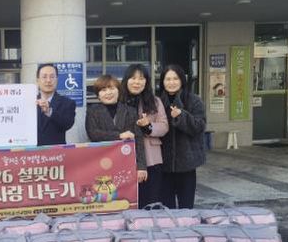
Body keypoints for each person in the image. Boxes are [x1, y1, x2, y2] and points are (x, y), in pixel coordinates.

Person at [121, 64, 169, 206]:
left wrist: (148, 126)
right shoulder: (119, 100)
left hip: (151, 159)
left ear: (146, 81)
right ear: (126, 80)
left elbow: (164, 126)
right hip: (123, 157)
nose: (137, 82)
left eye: (141, 79)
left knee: (150, 201)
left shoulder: (155, 101)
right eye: (133, 78)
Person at [159, 64, 206, 209]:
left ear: (182, 80)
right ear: (162, 81)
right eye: (168, 79)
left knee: (186, 207)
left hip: (187, 164)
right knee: (166, 207)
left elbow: (199, 126)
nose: (171, 82)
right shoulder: (157, 101)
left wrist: (181, 115)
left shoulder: (194, 100)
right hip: (164, 164)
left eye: (175, 78)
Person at [85, 74, 147, 184]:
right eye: (103, 90)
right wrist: (119, 136)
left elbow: (138, 139)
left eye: (112, 88)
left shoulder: (130, 111)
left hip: (126, 161)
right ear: (98, 95)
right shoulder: (92, 111)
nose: (108, 93)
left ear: (118, 91)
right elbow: (93, 134)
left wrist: (141, 167)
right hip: (101, 162)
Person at [36, 63, 76, 146]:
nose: (48, 80)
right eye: (44, 77)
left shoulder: (68, 103)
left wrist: (49, 112)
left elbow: (67, 124)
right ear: (38, 80)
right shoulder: (29, 102)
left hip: (56, 151)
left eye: (52, 77)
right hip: (31, 151)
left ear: (57, 80)